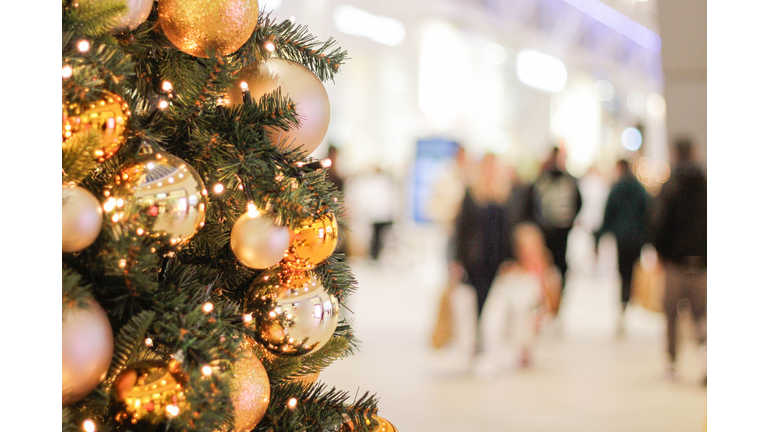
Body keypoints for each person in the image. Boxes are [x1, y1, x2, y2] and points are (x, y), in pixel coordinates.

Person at [652, 138, 707, 383]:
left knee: (671, 315)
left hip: (675, 262)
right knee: (703, 318)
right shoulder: (707, 184)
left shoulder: (670, 185)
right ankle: (708, 365)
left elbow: (658, 222)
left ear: (675, 153)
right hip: (702, 263)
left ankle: (672, 363)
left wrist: (660, 253)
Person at [474, 222, 561, 376]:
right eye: (526, 247)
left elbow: (553, 308)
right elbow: (494, 314)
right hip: (511, 338)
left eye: (534, 246)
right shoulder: (510, 273)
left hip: (539, 335)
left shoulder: (550, 273)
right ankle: (492, 349)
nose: (530, 252)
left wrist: (542, 278)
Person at [453, 153, 513, 318]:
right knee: (475, 296)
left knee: (490, 297)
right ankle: (476, 330)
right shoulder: (471, 193)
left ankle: (483, 329)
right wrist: (457, 259)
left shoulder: (502, 194)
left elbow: (506, 230)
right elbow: (462, 228)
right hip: (475, 257)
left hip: (494, 255)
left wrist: (508, 257)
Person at [595, 159, 650, 334]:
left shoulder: (617, 189)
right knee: (632, 271)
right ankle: (628, 299)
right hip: (636, 239)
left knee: (622, 272)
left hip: (621, 238)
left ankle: (624, 302)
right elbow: (648, 214)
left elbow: (608, 214)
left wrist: (600, 237)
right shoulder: (640, 189)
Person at [532, 146, 582, 295]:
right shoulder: (545, 179)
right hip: (550, 228)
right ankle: (550, 295)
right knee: (550, 262)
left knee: (559, 261)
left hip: (560, 228)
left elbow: (577, 202)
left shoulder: (566, 180)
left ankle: (557, 294)